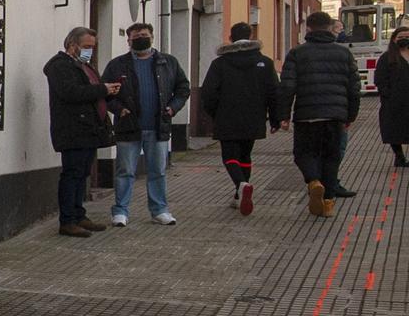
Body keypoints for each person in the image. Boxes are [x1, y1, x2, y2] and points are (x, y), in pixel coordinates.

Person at [101, 21, 192, 226]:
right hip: (128, 126)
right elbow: (104, 91)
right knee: (125, 171)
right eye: (136, 36)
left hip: (158, 126)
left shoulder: (168, 62)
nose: (140, 38)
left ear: (152, 37)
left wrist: (173, 108)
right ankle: (120, 211)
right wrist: (118, 109)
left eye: (144, 35)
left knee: (158, 171)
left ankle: (159, 210)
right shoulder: (117, 64)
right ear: (129, 40)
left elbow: (183, 88)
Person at [277, 10, 363, 217]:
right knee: (331, 158)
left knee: (304, 154)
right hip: (336, 116)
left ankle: (314, 181)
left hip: (307, 116)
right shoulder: (344, 54)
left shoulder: (297, 53)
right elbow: (354, 88)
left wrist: (283, 115)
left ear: (308, 28)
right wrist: (350, 115)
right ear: (330, 28)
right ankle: (328, 203)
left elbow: (287, 87)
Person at [44, 26, 120, 238]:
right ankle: (67, 220)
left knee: (82, 174)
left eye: (92, 47)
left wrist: (109, 92)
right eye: (86, 46)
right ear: (72, 45)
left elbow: (92, 94)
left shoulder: (85, 66)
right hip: (72, 130)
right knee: (72, 174)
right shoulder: (59, 66)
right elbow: (70, 92)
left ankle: (79, 215)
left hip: (89, 130)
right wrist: (102, 89)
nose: (90, 51)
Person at [200, 21, 282, 215]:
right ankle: (239, 194)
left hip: (227, 116)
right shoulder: (265, 62)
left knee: (229, 156)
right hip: (254, 117)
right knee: (245, 154)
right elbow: (274, 92)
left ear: (231, 38)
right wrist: (276, 118)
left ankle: (241, 185)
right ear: (251, 36)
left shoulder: (219, 64)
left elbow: (208, 92)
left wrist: (214, 113)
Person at [377, 25, 409, 167]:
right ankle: (399, 156)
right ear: (394, 39)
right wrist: (388, 94)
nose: (404, 40)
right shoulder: (387, 57)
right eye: (401, 37)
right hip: (394, 101)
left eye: (407, 37)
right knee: (394, 129)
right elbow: (380, 79)